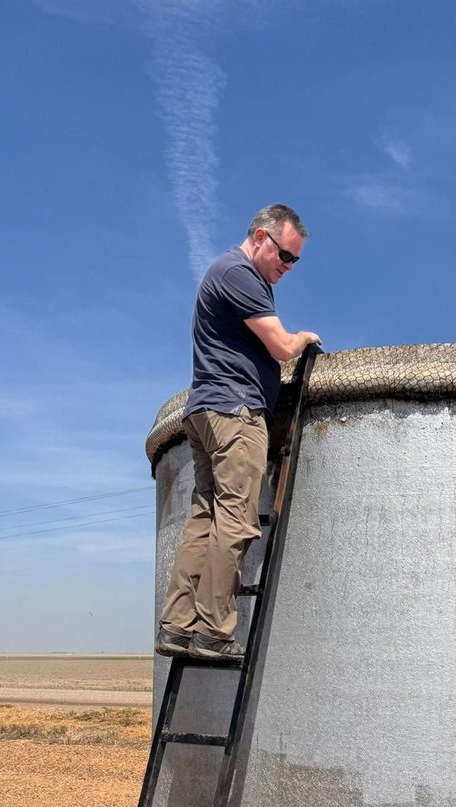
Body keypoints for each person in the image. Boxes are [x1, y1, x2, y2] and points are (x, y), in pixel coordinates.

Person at [155, 204, 320, 663]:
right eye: (285, 256)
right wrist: (304, 337)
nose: (287, 268)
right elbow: (282, 348)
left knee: (205, 520)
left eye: (295, 261)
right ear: (261, 237)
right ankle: (213, 631)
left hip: (205, 411)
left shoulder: (223, 273)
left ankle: (176, 626)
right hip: (235, 413)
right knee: (237, 520)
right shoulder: (240, 274)